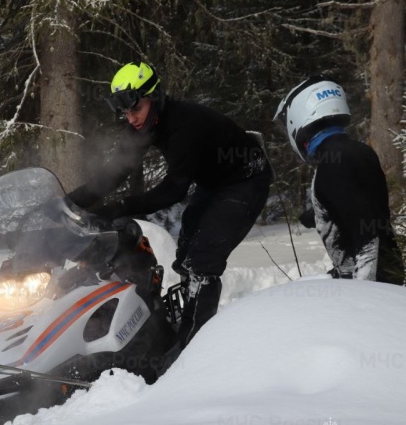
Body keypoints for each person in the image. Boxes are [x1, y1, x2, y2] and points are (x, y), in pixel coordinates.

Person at [68, 62, 273, 365]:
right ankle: (182, 328)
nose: (131, 117)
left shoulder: (183, 125)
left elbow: (174, 190)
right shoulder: (144, 124)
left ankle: (192, 355)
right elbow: (113, 174)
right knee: (186, 257)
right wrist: (69, 204)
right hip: (213, 182)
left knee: (202, 261)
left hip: (245, 181)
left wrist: (122, 207)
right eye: (125, 112)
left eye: (135, 108)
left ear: (155, 96)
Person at [275, 76, 404, 285]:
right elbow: (357, 200)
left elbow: (366, 235)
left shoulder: (335, 162)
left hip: (371, 283)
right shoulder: (353, 151)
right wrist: (317, 214)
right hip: (385, 274)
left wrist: (363, 291)